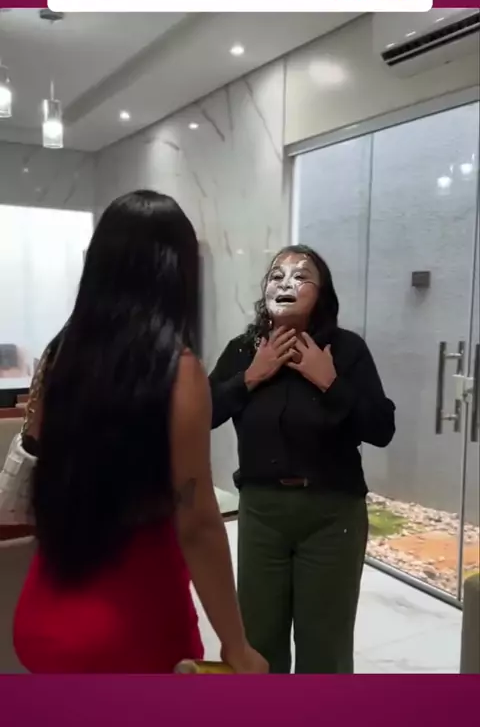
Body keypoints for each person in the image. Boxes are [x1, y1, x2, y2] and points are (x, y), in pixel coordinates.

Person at [11, 190, 267, 674]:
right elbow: (197, 524)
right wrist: (236, 645)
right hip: (135, 630)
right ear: (177, 273)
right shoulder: (179, 373)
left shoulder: (59, 356)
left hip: (41, 617)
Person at [209, 244, 395, 674]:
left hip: (332, 515)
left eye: (301, 276)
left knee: (324, 649)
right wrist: (250, 376)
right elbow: (204, 412)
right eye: (277, 275)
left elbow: (381, 429)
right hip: (262, 514)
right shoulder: (243, 350)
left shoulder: (346, 350)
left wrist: (330, 382)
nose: (286, 283)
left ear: (322, 292)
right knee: (258, 643)